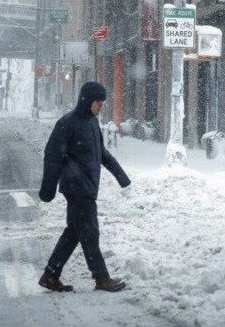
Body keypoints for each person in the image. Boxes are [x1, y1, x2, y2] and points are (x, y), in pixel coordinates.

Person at [38, 81, 130, 293]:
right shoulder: (68, 122)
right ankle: (101, 278)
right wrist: (48, 188)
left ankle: (51, 274)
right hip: (76, 187)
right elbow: (52, 155)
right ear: (87, 101)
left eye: (102, 103)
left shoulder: (92, 123)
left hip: (87, 187)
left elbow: (103, 155)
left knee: (75, 232)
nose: (101, 106)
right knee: (90, 233)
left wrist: (121, 176)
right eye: (98, 102)